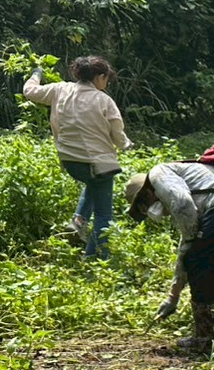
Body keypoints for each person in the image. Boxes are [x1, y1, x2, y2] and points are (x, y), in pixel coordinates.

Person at [123, 142, 214, 356]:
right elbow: (188, 241)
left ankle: (206, 340)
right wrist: (173, 296)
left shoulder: (158, 174)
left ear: (146, 193)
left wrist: (193, 249)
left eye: (143, 204)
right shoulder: (193, 174)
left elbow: (183, 206)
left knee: (200, 265)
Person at [23, 55, 132, 259]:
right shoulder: (104, 100)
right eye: (106, 79)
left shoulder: (60, 89)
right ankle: (94, 258)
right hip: (98, 163)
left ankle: (78, 222)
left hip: (70, 161)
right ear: (100, 77)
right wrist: (127, 145)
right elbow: (118, 134)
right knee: (103, 214)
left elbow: (29, 91)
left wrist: (36, 73)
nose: (107, 83)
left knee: (94, 183)